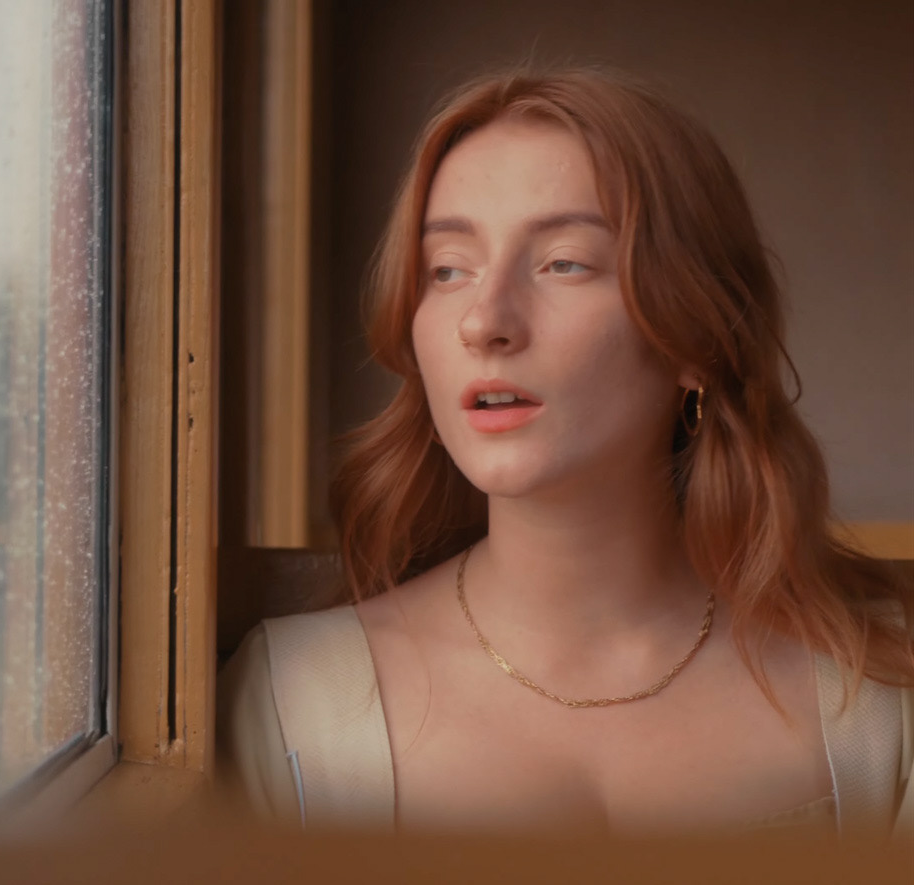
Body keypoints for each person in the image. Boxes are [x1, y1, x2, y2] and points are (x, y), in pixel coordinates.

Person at [218, 67, 914, 836]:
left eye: (564, 263)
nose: (484, 321)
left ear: (697, 338)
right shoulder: (292, 706)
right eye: (446, 270)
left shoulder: (880, 695)